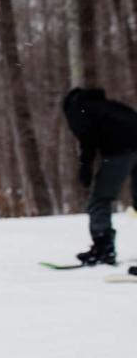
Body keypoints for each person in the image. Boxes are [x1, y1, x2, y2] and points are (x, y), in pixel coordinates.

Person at [62, 87, 137, 266]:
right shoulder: (111, 107)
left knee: (100, 200)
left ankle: (103, 249)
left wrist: (85, 166)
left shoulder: (79, 109)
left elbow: (88, 139)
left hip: (121, 152)